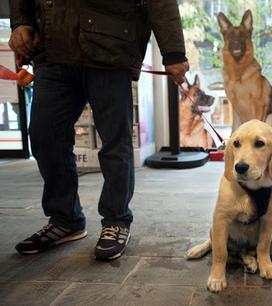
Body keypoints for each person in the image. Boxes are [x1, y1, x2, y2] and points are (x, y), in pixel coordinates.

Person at [9, 0, 189, 261]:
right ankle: (65, 219)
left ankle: (116, 220)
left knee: (116, 142)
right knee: (43, 137)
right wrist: (21, 22)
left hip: (109, 48)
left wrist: (173, 52)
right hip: (52, 49)